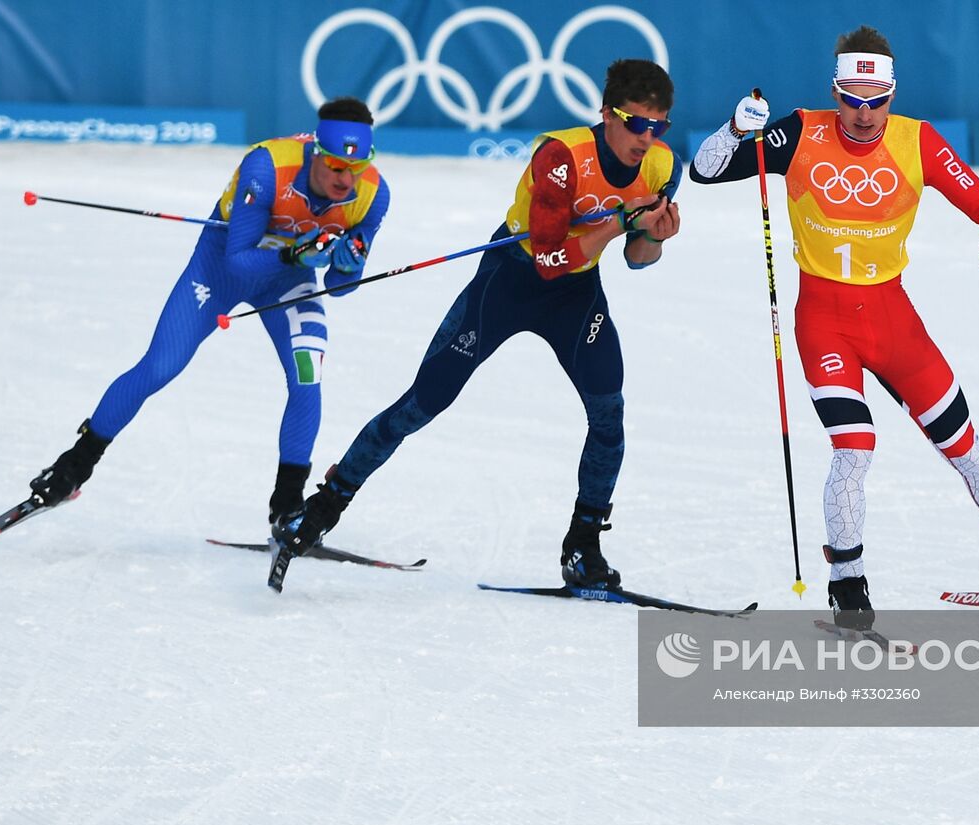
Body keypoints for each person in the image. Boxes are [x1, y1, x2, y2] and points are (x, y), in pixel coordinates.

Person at [689, 26, 979, 625]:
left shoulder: (917, 141)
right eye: (851, 101)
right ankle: (847, 580)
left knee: (963, 444)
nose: (863, 115)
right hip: (824, 320)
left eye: (877, 101)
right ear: (835, 92)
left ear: (892, 92)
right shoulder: (799, 130)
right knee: (853, 449)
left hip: (893, 319)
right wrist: (736, 128)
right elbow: (705, 171)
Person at [272, 59, 682, 589]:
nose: (646, 139)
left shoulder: (661, 166)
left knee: (609, 416)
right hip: (511, 282)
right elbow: (546, 260)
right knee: (423, 403)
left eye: (659, 126)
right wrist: (615, 225)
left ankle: (583, 547)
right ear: (606, 113)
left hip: (576, 296)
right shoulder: (560, 156)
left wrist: (655, 237)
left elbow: (637, 258)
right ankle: (323, 507)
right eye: (635, 123)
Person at [24, 97, 390, 528]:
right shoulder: (267, 166)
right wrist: (295, 255)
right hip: (220, 269)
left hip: (289, 282)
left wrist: (347, 265)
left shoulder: (373, 194)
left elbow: (341, 288)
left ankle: (288, 506)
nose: (346, 179)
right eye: (335, 166)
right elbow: (238, 259)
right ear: (317, 153)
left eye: (357, 167)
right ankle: (73, 466)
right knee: (160, 366)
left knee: (307, 379)